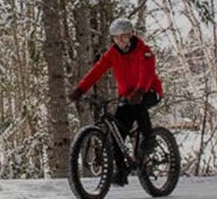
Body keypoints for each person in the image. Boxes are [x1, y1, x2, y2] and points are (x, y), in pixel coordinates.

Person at [68, 18, 165, 184]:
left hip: (149, 91)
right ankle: (121, 172)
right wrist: (81, 89)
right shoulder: (113, 54)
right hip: (128, 97)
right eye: (116, 37)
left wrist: (140, 90)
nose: (120, 40)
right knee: (117, 135)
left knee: (138, 106)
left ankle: (149, 139)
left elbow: (147, 73)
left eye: (124, 36)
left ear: (131, 35)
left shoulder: (144, 51)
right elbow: (96, 71)